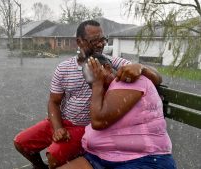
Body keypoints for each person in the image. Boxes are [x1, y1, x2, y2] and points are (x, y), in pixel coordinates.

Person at [13, 20, 162, 169]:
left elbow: (156, 78)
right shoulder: (63, 68)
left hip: (84, 128)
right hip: (62, 121)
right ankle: (39, 167)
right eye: (95, 40)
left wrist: (141, 67)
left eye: (103, 39)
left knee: (54, 154)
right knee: (21, 143)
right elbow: (54, 102)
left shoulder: (109, 62)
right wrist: (58, 127)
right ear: (79, 41)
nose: (101, 44)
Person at [58, 56, 176, 169]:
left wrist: (97, 83)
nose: (92, 83)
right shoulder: (106, 91)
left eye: (95, 74)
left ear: (108, 68)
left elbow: (99, 121)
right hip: (99, 157)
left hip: (143, 159)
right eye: (89, 80)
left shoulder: (128, 80)